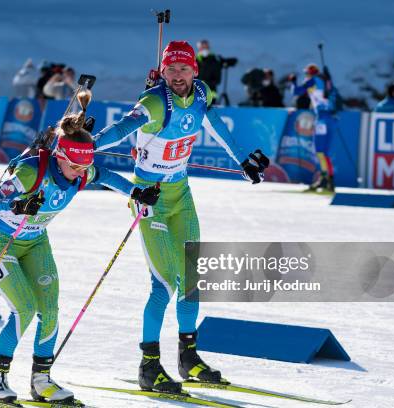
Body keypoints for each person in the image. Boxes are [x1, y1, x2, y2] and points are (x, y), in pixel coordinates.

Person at [93, 41, 269, 393]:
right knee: (163, 285)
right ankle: (149, 365)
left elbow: (218, 128)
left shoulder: (202, 95)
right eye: (170, 69)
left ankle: (188, 358)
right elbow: (120, 131)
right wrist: (86, 145)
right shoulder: (155, 101)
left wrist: (243, 161)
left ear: (194, 71)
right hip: (151, 197)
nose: (177, 75)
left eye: (183, 69)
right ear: (162, 71)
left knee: (192, 279)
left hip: (181, 195)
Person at [0, 95, 160, 404]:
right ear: (59, 155)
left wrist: (136, 191)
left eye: (84, 165)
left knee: (49, 310)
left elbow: (106, 176)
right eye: (74, 165)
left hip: (35, 241)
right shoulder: (30, 172)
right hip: (0, 242)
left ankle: (42, 381)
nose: (80, 171)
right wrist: (18, 204)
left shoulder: (82, 170)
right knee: (24, 308)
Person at [289, 63, 335, 192]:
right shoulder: (326, 81)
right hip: (330, 118)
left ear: (311, 73)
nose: (306, 76)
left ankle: (325, 180)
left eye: (307, 73)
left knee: (320, 151)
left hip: (322, 118)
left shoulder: (313, 80)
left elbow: (296, 92)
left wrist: (293, 82)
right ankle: (329, 180)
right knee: (324, 153)